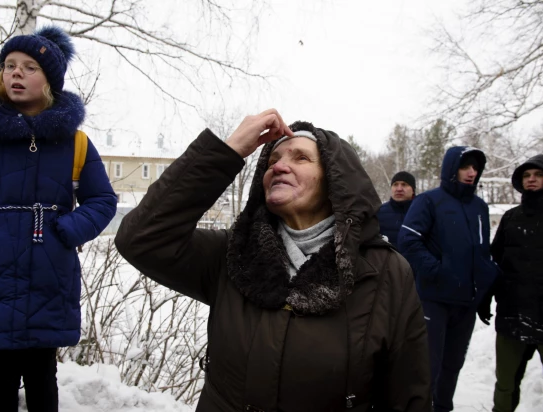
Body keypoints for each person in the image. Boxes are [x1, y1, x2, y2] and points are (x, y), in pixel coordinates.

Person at [115, 111, 431, 411]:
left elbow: (408, 398)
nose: (278, 166)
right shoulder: (233, 254)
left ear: (337, 181)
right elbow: (141, 239)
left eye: (301, 158)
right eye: (273, 160)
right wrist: (229, 151)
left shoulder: (385, 273)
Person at [0, 27, 117, 412]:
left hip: (50, 269)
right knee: (1, 368)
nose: (16, 74)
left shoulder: (75, 142)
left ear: (50, 82)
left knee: (43, 369)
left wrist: (68, 231)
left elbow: (102, 199)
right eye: (9, 66)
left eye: (29, 67)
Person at [398, 146, 499, 412]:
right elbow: (408, 240)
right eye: (465, 167)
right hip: (434, 300)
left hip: (465, 302)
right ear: (451, 168)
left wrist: (485, 291)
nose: (471, 173)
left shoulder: (479, 207)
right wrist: (438, 272)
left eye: (475, 168)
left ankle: (443, 407)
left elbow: (481, 250)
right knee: (428, 366)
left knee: (453, 364)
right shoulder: (430, 201)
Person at [479, 154, 543, 412]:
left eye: (538, 175)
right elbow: (494, 263)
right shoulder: (511, 218)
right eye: (527, 176)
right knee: (505, 385)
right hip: (513, 315)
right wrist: (484, 297)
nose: (531, 180)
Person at [377, 171, 416, 249]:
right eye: (395, 184)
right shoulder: (379, 212)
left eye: (404, 184)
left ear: (413, 190)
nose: (399, 189)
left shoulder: (424, 211)